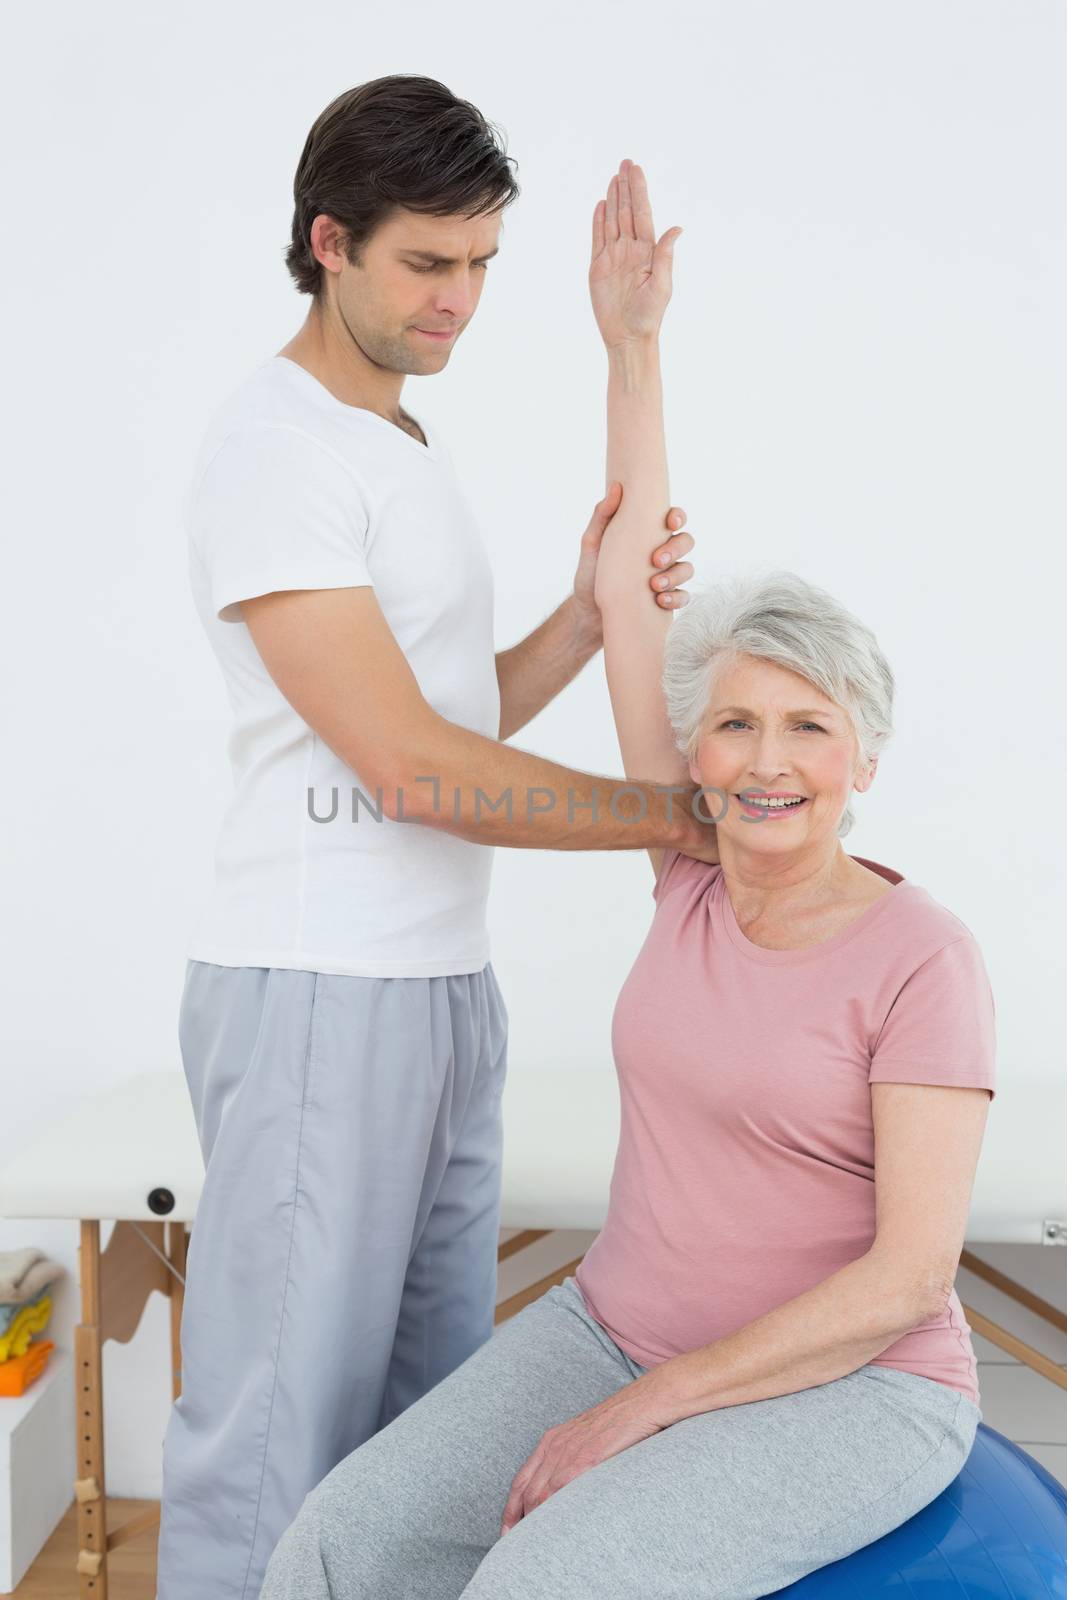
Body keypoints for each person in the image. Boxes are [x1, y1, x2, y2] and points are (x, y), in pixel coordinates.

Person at [257, 159, 997, 1600]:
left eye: (807, 728)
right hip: (616, 1326)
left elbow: (908, 1282)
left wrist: (641, 1413)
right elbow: (631, 589)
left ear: (866, 759)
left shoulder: (923, 956)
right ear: (695, 757)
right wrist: (633, 348)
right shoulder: (692, 871)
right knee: (336, 1548)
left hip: (853, 1390)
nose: (765, 760)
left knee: (528, 1587)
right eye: (733, 722)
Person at [157, 84, 720, 1600]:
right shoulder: (279, 448)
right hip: (315, 989)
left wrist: (588, 595)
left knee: (420, 1443)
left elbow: (460, 709)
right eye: (428, 263)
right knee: (276, 1443)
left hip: (437, 988)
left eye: (480, 263)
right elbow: (407, 769)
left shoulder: (396, 439)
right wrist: (677, 820)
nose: (461, 300)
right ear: (328, 244)